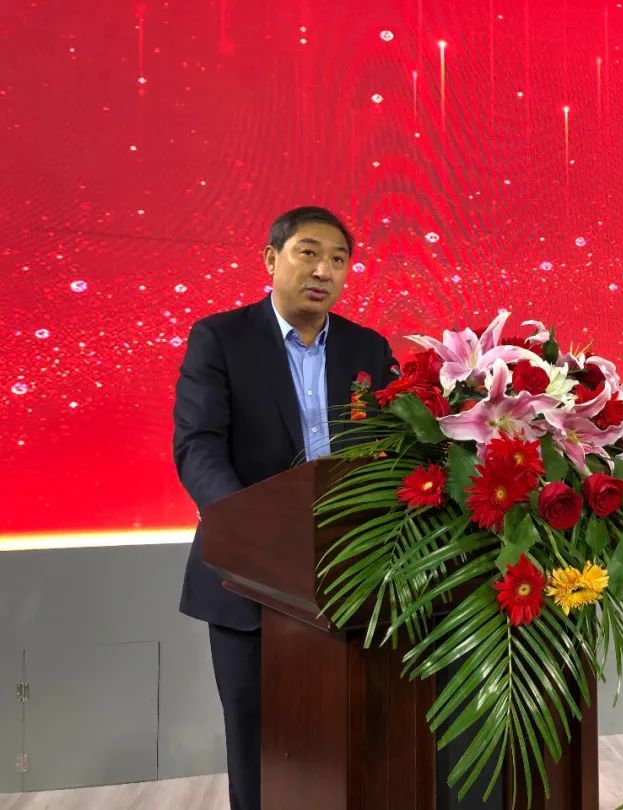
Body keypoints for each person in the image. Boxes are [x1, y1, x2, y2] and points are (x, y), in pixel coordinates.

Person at [173, 206, 397, 810]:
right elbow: (198, 446)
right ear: (272, 259)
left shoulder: (369, 349)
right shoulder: (220, 338)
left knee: (348, 741)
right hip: (250, 576)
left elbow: (395, 448)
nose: (324, 270)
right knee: (258, 744)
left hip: (350, 577)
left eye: (339, 260)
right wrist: (253, 527)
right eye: (309, 252)